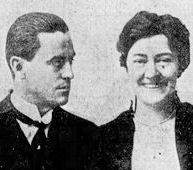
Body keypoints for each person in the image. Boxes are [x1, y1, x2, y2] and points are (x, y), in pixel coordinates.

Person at [0, 12, 98, 170]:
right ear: (19, 67)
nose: (69, 73)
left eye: (70, 61)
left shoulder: (88, 134)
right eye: (57, 62)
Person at [96, 11, 193, 170]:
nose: (151, 73)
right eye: (140, 61)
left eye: (164, 60)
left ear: (181, 64)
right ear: (126, 65)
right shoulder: (103, 139)